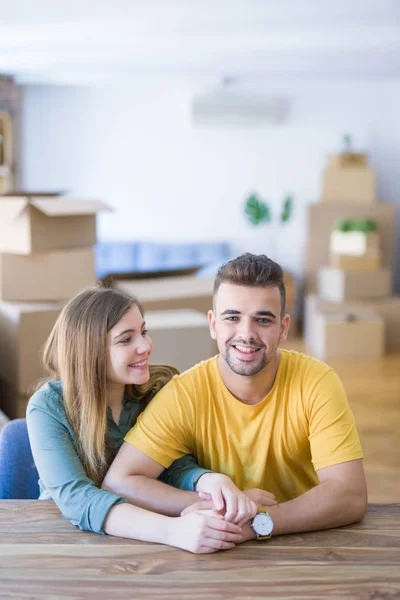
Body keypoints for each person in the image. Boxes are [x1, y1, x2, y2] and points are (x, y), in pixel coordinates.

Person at [103, 253, 368, 542]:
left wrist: (258, 521)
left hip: (308, 543)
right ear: (213, 324)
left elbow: (350, 495)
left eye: (263, 320)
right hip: (216, 545)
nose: (247, 333)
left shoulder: (316, 382)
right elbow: (118, 483)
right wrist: (212, 507)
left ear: (283, 328)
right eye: (232, 317)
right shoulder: (184, 394)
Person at [26, 286, 261, 554]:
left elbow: (173, 466)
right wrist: (173, 530)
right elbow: (77, 498)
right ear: (88, 350)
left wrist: (208, 483)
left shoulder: (156, 388)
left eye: (144, 332)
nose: (145, 346)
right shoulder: (48, 406)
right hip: (65, 539)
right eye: (126, 339)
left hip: (142, 532)